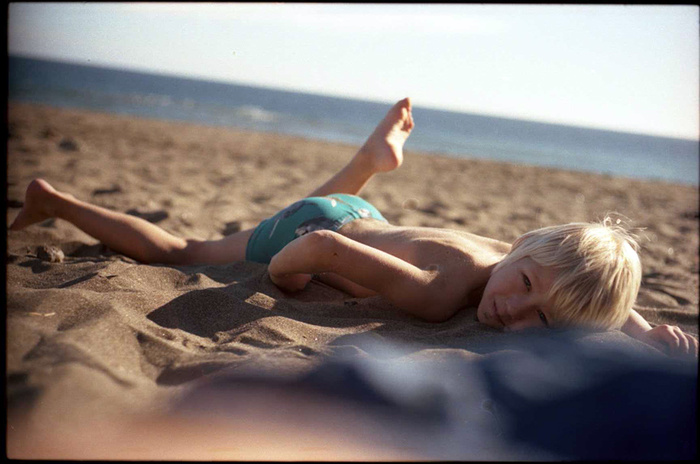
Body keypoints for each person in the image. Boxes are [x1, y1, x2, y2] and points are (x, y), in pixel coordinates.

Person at [10, 98, 698, 358]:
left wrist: (643, 330)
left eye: (540, 321)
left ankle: (368, 163)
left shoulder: (524, 259)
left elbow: (583, 298)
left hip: (369, 220)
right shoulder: (438, 293)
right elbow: (323, 245)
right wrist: (284, 277)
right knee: (182, 248)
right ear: (521, 250)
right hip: (314, 231)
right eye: (523, 289)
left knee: (346, 211)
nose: (513, 311)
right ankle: (56, 200)